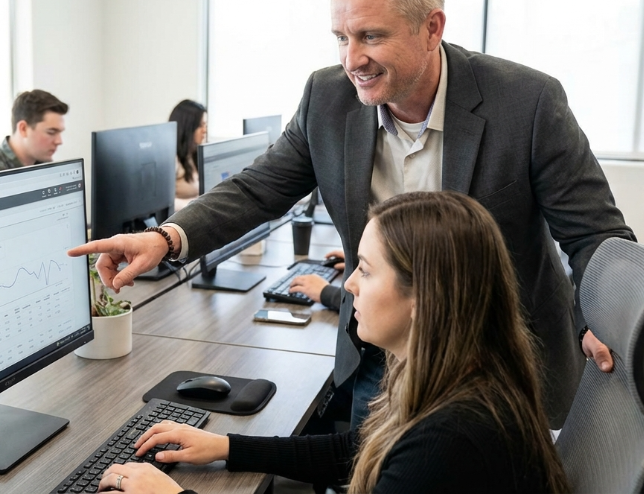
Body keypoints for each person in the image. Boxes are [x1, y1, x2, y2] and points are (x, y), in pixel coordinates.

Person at [69, 0, 635, 429]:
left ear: (432, 27)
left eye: (370, 36)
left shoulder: (526, 103)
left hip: (498, 363)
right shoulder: (328, 97)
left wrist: (601, 319)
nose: (351, 59)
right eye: (340, 36)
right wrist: (167, 238)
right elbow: (259, 187)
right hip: (382, 357)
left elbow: (598, 237)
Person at [97, 192, 571, 494]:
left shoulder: (451, 440)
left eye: (365, 270)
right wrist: (226, 445)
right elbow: (360, 449)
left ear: (423, 297)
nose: (347, 286)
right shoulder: (460, 376)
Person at [0, 89, 68, 175]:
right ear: (23, 129)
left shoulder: (42, 164)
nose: (59, 141)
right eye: (51, 132)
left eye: (60, 132)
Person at [168, 100, 208, 210]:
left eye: (206, 125)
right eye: (200, 125)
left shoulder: (194, 153)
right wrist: (199, 203)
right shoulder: (172, 159)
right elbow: (164, 205)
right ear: (187, 128)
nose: (205, 130)